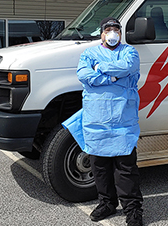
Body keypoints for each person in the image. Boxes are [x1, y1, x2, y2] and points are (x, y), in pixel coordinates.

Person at [62, 17, 144, 226]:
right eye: (108, 29)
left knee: (126, 168)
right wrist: (110, 78)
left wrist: (100, 68)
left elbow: (126, 68)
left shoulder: (129, 52)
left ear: (121, 33)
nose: (112, 32)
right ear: (101, 34)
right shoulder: (89, 53)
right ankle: (107, 203)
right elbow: (84, 74)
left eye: (116, 29)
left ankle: (133, 210)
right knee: (100, 167)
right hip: (96, 120)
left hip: (123, 119)